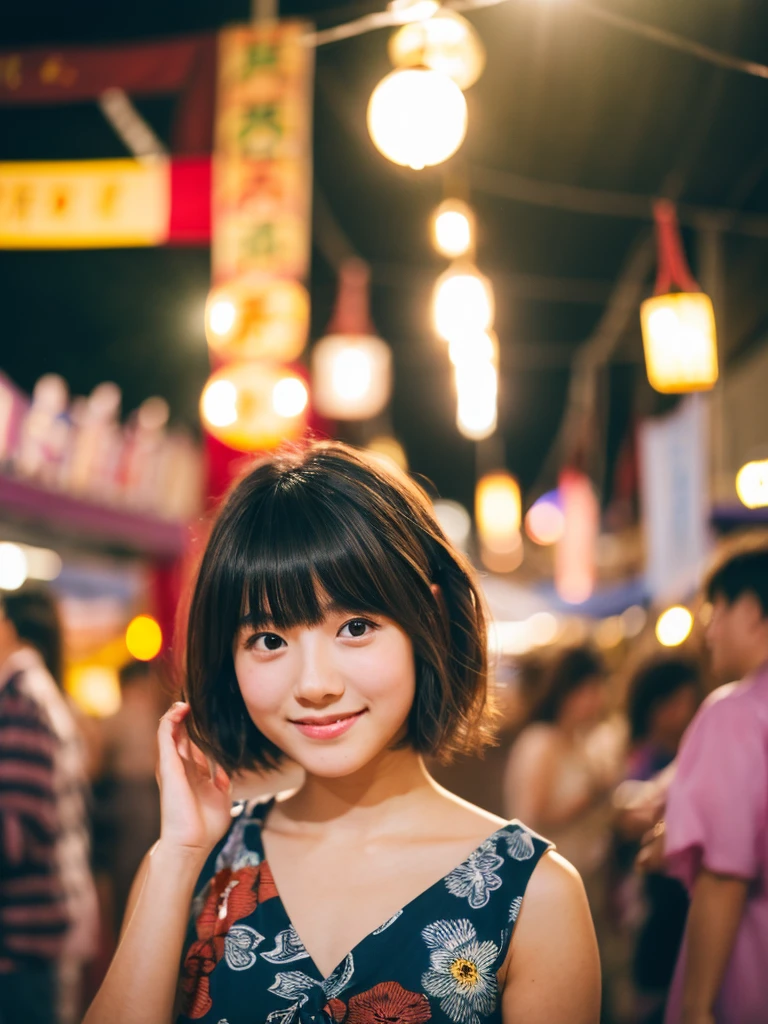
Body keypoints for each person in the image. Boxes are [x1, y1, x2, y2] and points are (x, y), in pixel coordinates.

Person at [84, 440, 600, 1024]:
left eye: (355, 627)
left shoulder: (534, 895)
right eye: (269, 640)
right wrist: (178, 855)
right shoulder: (193, 868)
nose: (315, 683)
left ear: (427, 617)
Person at [642, 543, 768, 1024]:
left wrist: (697, 1007)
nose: (708, 631)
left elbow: (725, 870)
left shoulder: (735, 713)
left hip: (748, 974)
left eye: (716, 611)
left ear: (754, 610)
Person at [0, 587, 98, 1024]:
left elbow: (14, 832)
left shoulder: (19, 700)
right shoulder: (40, 694)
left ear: (10, 629)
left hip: (22, 940)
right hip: (44, 929)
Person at [614, 658, 700, 1024]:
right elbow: (629, 819)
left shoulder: (680, 754)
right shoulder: (644, 760)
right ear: (657, 707)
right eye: (680, 702)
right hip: (651, 900)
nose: (689, 712)